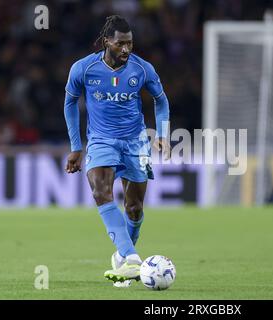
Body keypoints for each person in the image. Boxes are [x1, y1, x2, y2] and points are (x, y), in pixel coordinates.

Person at [63, 15, 171, 287]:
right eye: (121, 44)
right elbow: (70, 103)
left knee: (134, 208)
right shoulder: (83, 69)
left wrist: (163, 134)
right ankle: (133, 259)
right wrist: (76, 146)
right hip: (101, 140)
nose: (126, 49)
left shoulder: (142, 69)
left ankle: (123, 257)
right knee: (101, 191)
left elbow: (161, 101)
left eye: (130, 44)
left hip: (135, 141)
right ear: (106, 42)